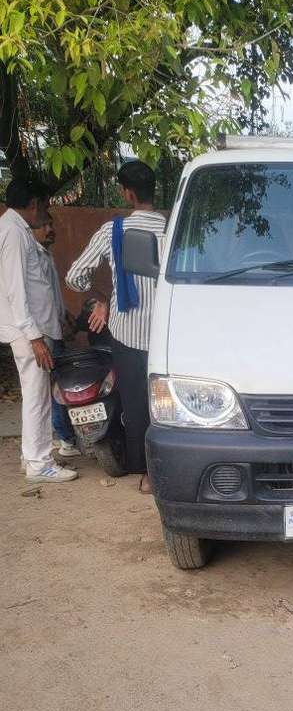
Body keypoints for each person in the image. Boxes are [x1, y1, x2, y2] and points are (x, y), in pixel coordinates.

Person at [66, 160, 166, 493]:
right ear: (154, 190)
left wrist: (102, 299)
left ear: (127, 192)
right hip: (169, 334)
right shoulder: (175, 229)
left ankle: (148, 476)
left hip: (127, 334)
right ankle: (174, 470)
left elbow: (75, 276)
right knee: (169, 406)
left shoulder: (113, 231)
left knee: (136, 405)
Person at [0, 179, 78, 483]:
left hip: (32, 328)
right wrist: (34, 336)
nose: (44, 214)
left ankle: (31, 456)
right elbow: (15, 290)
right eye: (43, 206)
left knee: (37, 395)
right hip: (28, 331)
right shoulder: (14, 233)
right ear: (33, 204)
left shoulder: (14, 229)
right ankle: (38, 462)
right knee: (37, 397)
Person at [31, 212, 80, 458]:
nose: (50, 229)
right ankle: (64, 439)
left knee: (59, 385)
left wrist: (65, 313)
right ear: (32, 230)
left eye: (51, 224)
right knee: (53, 388)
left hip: (54, 327)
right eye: (44, 226)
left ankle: (66, 438)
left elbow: (51, 295)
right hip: (44, 332)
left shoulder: (46, 255)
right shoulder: (34, 257)